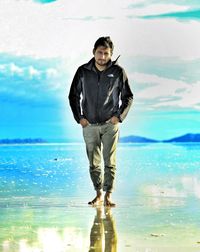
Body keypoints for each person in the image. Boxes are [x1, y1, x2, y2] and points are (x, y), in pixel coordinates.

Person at [69, 36, 133, 207]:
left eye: (106, 53)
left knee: (109, 162)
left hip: (110, 124)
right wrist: (80, 118)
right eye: (99, 52)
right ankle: (98, 194)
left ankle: (108, 196)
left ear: (111, 54)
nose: (102, 57)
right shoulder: (82, 71)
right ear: (94, 52)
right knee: (94, 162)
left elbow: (128, 97)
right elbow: (73, 96)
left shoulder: (118, 72)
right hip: (89, 125)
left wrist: (118, 117)